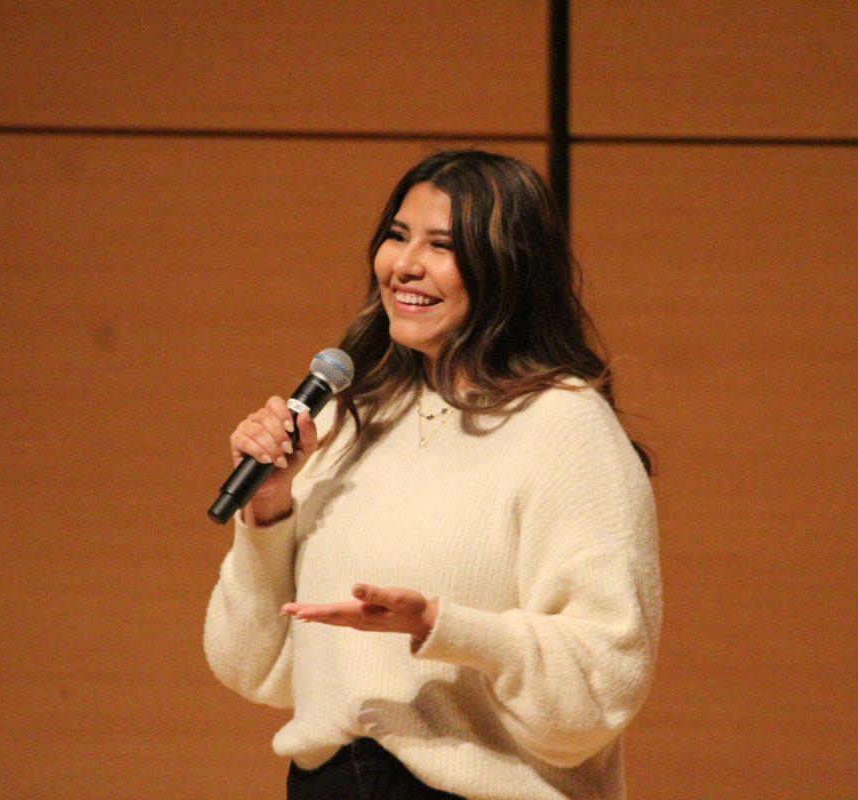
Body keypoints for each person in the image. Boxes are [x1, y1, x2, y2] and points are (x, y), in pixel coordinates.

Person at [204, 150, 662, 800]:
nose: (405, 265)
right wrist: (269, 511)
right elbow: (249, 667)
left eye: (441, 245)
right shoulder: (346, 421)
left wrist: (441, 626)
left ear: (508, 269)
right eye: (397, 235)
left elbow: (601, 685)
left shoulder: (565, 425)